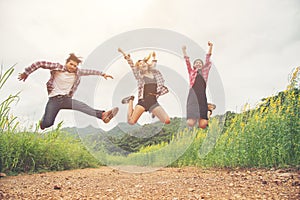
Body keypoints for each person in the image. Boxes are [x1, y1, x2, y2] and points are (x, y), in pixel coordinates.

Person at [18, 53, 119, 130]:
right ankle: (43, 122)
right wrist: (26, 73)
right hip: (54, 100)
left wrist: (102, 74)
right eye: (71, 64)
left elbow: (90, 71)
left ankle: (102, 115)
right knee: (48, 123)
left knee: (82, 106)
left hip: (66, 99)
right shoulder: (58, 67)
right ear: (66, 63)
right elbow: (40, 63)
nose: (72, 67)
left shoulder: (78, 72)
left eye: (75, 65)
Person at [118, 48, 170, 125]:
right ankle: (130, 100)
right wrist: (124, 54)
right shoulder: (140, 76)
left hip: (153, 102)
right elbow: (132, 65)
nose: (142, 64)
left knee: (167, 121)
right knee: (131, 122)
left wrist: (154, 58)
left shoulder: (155, 74)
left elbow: (154, 65)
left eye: (143, 63)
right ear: (139, 68)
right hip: (143, 102)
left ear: (147, 64)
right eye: (140, 64)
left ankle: (153, 112)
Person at [182, 42, 216, 129]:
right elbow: (187, 61)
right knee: (190, 123)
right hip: (192, 97)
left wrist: (210, 47)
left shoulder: (205, 72)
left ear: (202, 65)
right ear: (193, 65)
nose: (198, 64)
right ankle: (202, 113)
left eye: (200, 63)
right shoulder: (191, 72)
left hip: (201, 97)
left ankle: (208, 111)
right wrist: (184, 50)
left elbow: (208, 58)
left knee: (203, 125)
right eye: (196, 63)